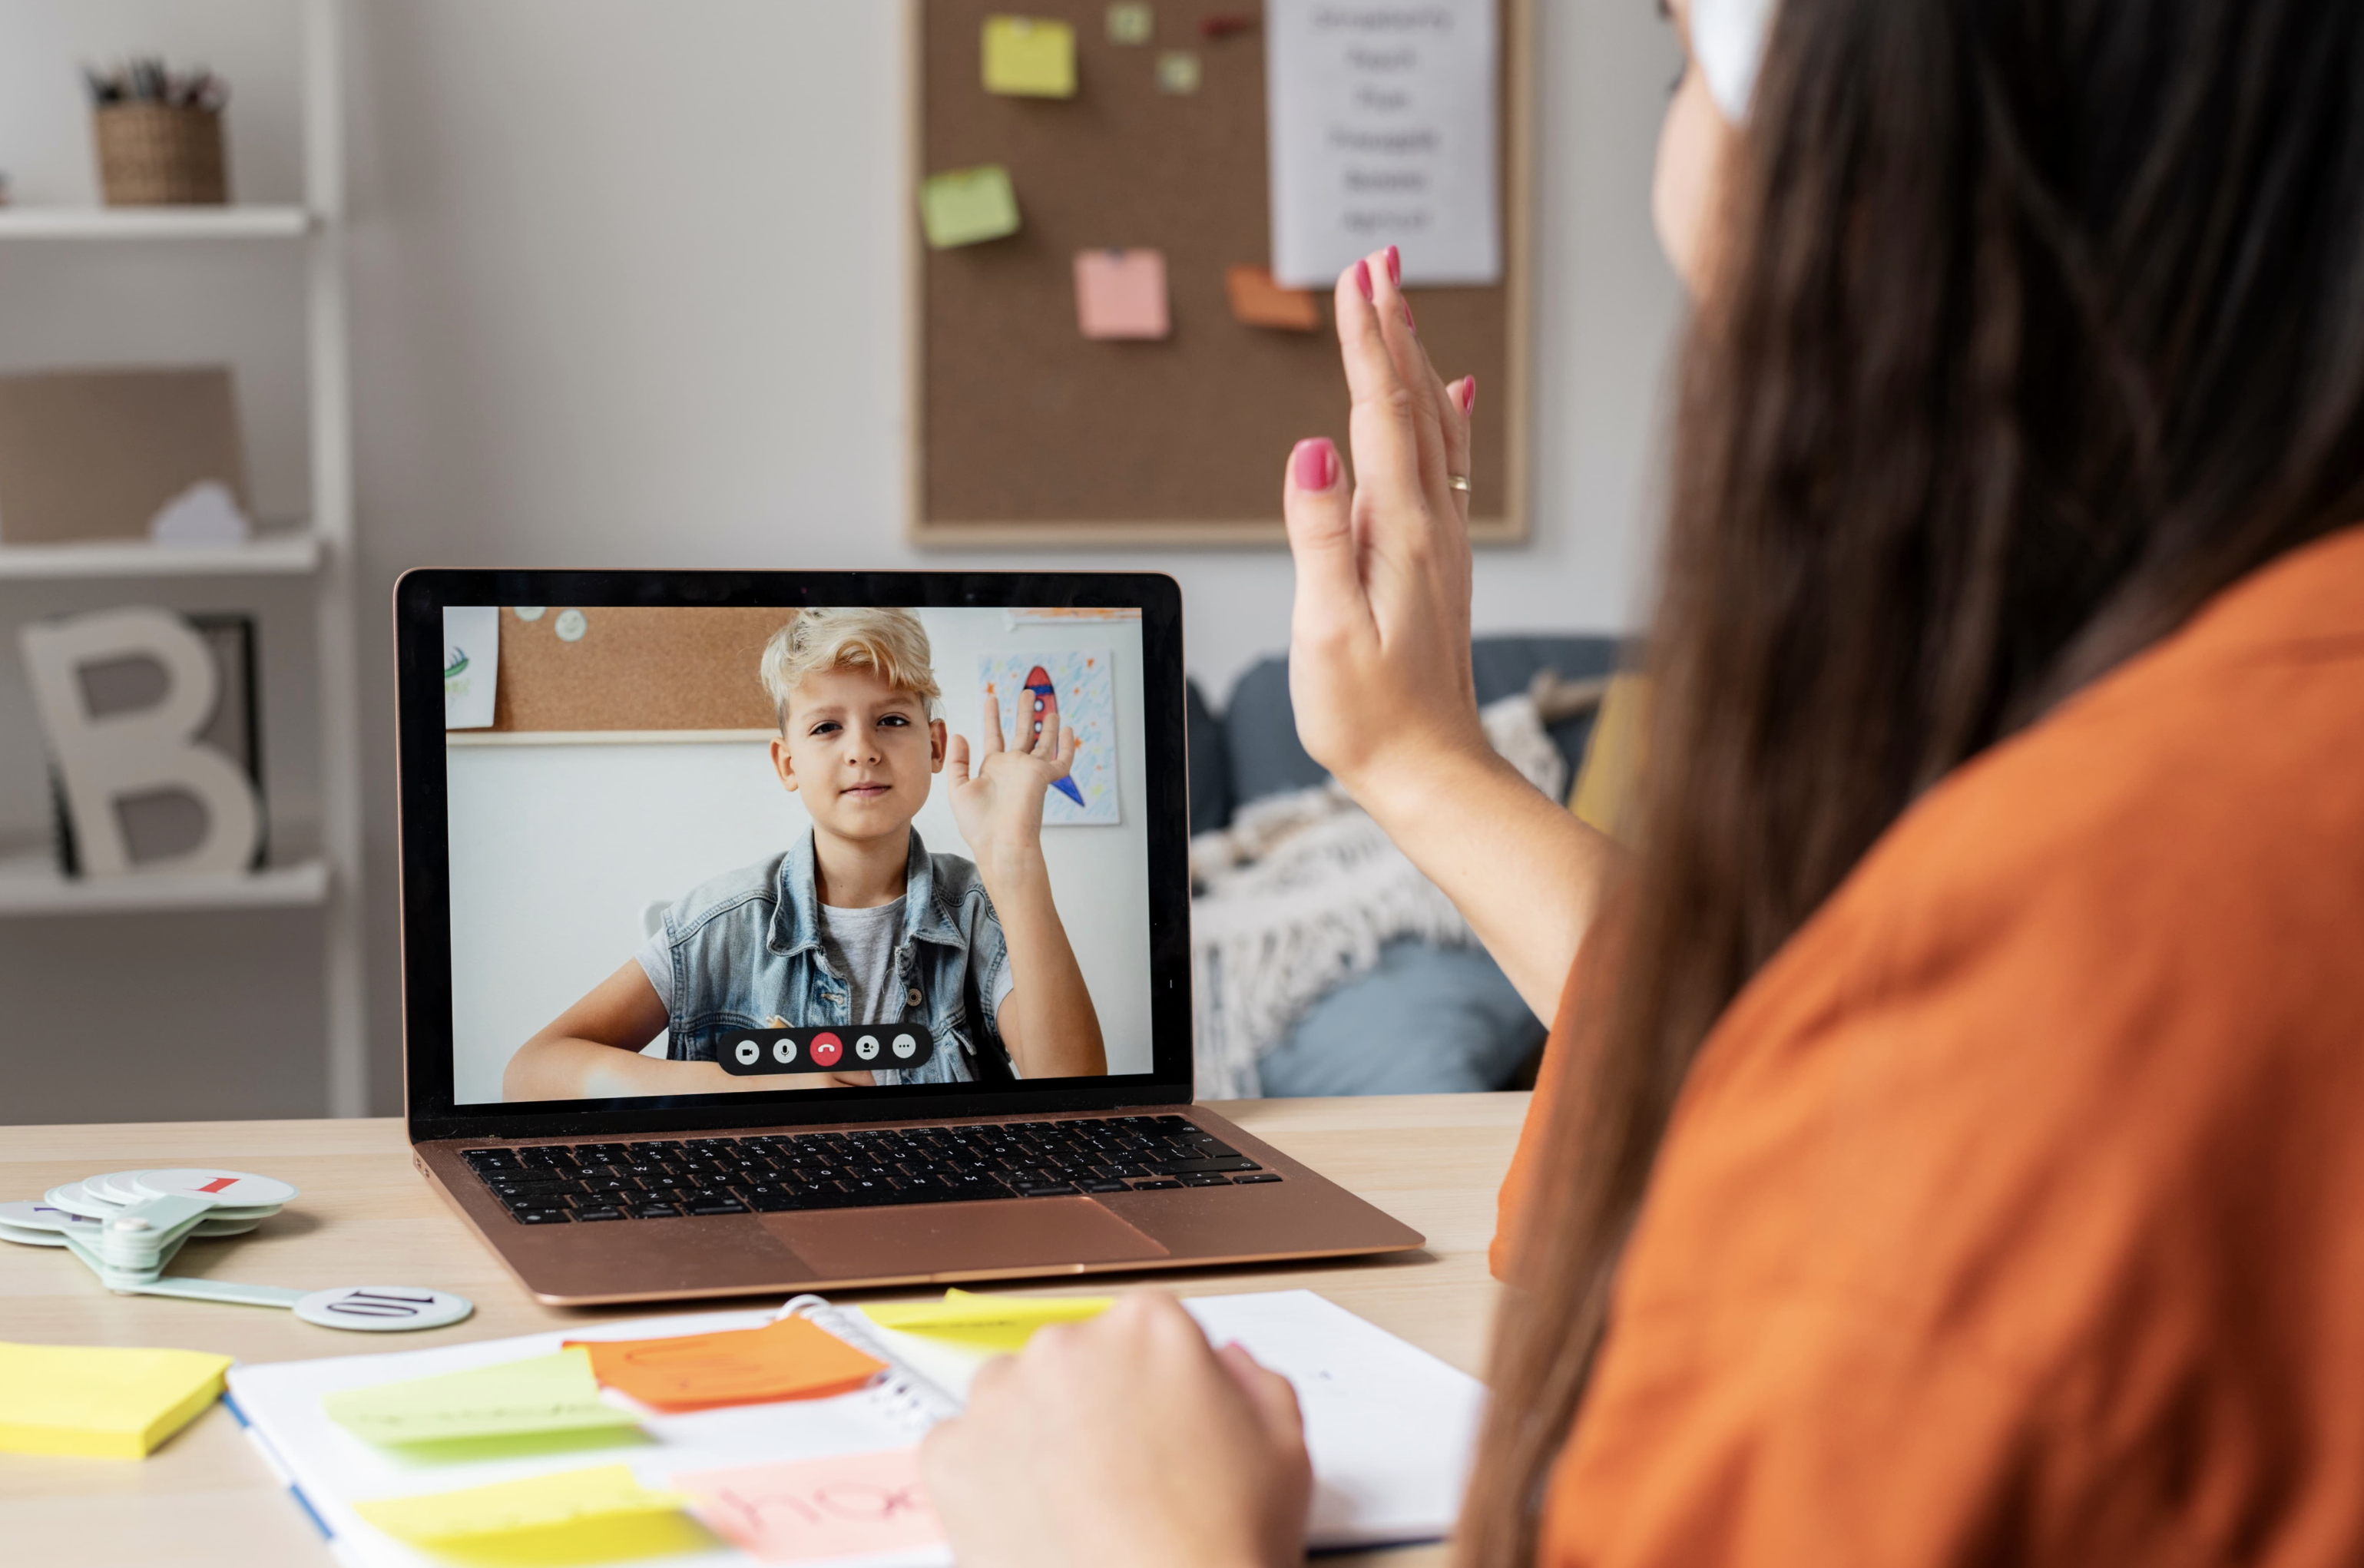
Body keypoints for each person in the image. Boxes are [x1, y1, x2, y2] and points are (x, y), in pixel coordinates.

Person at [918, 0, 2364, 1563]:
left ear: (1899, 161)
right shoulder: (2243, 760)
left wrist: (1139, 1539)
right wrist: (1418, 757)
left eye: (1686, 67)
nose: (1669, 193)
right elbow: (1757, 1069)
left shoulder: (2066, 967)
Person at [503, 607, 1108, 1100]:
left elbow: (1080, 1096)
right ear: (787, 763)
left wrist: (1015, 858)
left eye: (892, 720)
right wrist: (743, 1084)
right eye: (826, 728)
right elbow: (532, 1074)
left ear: (935, 745)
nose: (863, 750)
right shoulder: (720, 922)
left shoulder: (980, 907)